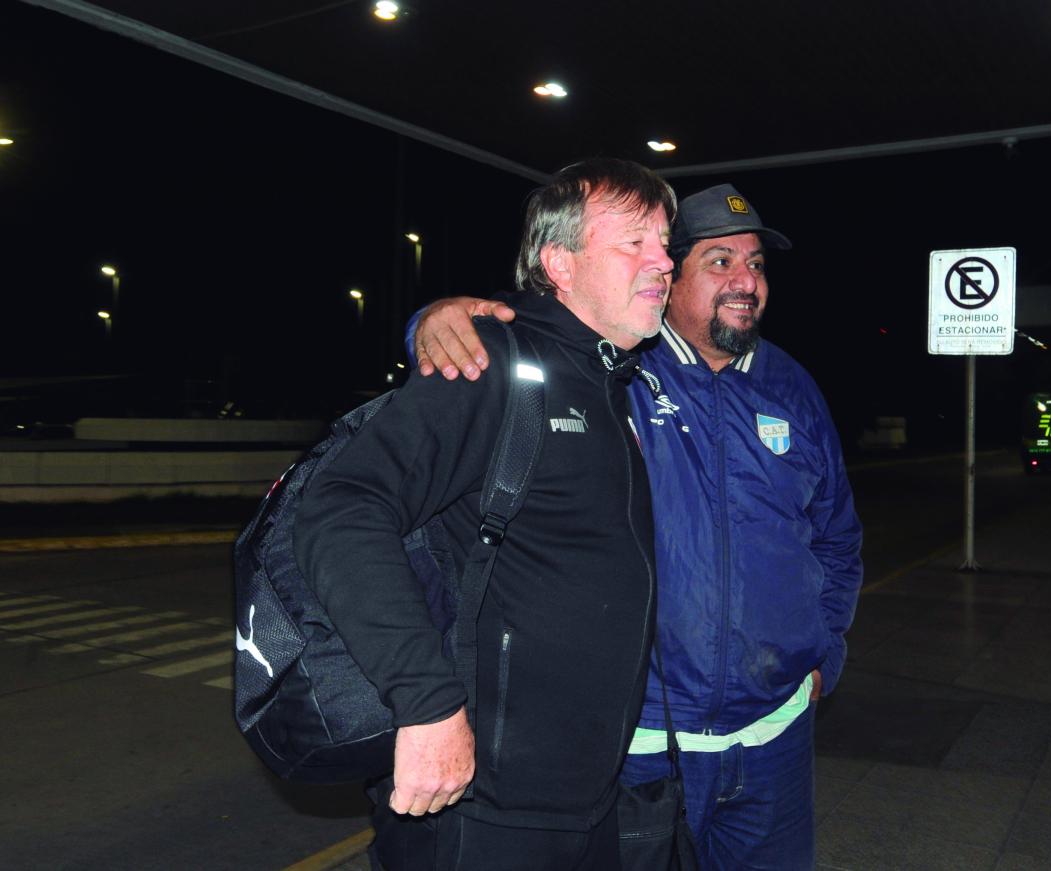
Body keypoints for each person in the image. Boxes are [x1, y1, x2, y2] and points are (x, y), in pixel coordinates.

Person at [411, 183, 863, 870]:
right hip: (640, 745)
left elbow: (836, 535)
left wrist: (823, 654)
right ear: (665, 275)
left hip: (774, 740)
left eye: (756, 264)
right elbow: (519, 341)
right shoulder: (613, 368)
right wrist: (431, 318)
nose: (747, 281)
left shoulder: (794, 388)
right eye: (720, 262)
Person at [294, 157, 676, 870]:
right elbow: (341, 509)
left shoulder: (609, 379)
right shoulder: (493, 363)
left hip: (586, 801)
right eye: (636, 242)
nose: (664, 262)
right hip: (486, 810)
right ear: (559, 262)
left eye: (665, 241)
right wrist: (426, 702)